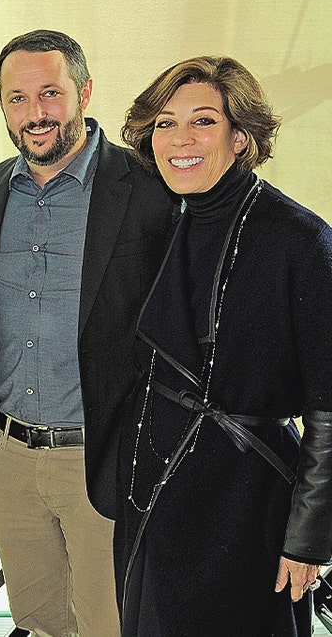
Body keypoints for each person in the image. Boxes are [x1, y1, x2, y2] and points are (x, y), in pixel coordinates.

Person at [0, 29, 176, 636]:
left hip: (103, 457)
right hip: (9, 458)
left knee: (110, 626)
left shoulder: (149, 189)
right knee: (42, 621)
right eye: (17, 98)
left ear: (84, 91)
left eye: (49, 94)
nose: (35, 114)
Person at [115, 55, 332, 636]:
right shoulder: (163, 224)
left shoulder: (300, 239)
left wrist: (309, 539)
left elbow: (330, 409)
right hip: (156, 498)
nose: (180, 139)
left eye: (202, 121)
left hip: (247, 511)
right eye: (164, 123)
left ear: (241, 137)